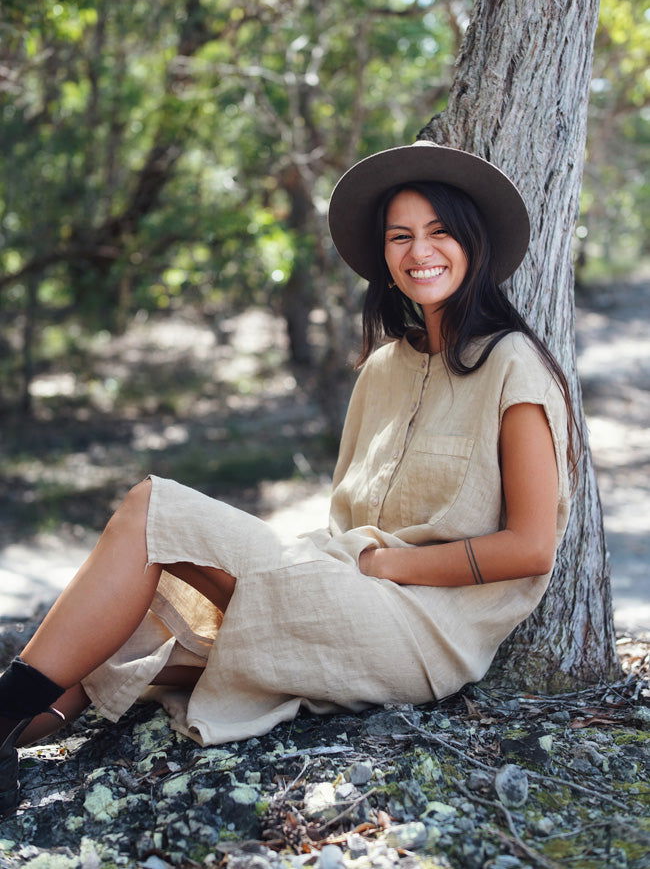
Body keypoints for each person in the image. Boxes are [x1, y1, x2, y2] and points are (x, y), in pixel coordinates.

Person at [0, 140, 576, 815]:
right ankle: (9, 732)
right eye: (401, 236)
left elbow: (531, 547)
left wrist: (391, 565)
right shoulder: (382, 370)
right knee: (119, 642)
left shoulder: (512, 364)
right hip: (346, 585)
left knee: (154, 507)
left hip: (422, 633)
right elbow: (345, 519)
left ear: (473, 242)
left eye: (440, 231)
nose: (420, 250)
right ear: (385, 257)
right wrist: (349, 563)